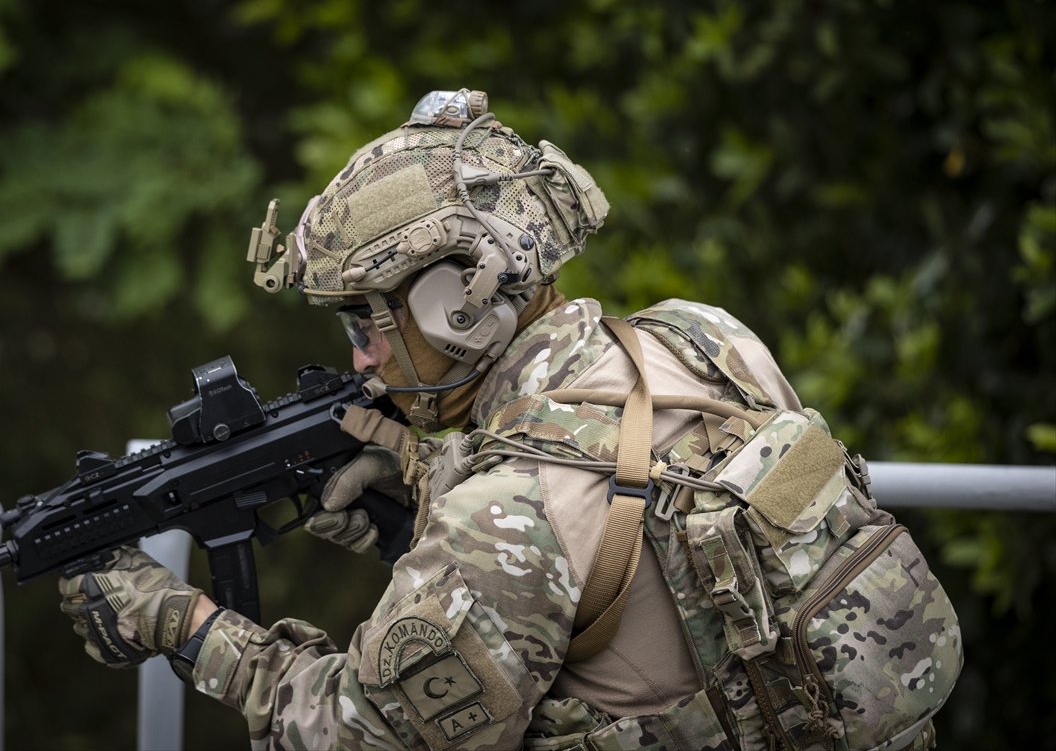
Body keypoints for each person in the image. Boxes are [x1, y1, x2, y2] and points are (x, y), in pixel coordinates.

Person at [57, 90, 945, 750]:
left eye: (367, 319)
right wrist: (422, 473)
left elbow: (360, 735)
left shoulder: (502, 514)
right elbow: (654, 541)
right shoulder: (704, 337)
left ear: (457, 305)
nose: (362, 356)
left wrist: (181, 624)